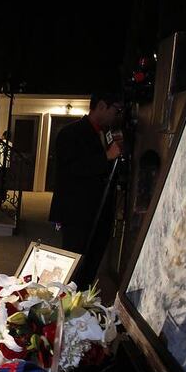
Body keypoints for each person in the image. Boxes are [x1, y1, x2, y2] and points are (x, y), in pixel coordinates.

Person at [48, 91, 124, 290]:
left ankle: (81, 305)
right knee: (75, 267)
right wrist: (106, 157)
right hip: (77, 214)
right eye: (115, 110)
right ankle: (67, 306)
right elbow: (71, 169)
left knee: (91, 266)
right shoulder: (70, 133)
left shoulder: (105, 134)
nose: (117, 115)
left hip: (100, 214)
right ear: (101, 106)